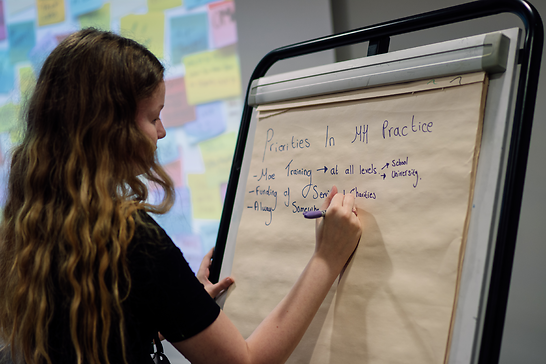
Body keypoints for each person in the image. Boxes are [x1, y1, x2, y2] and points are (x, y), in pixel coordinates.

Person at [0, 28, 362, 364]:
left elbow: (99, 330)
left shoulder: (28, 221)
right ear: (109, 128)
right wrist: (327, 258)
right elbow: (247, 361)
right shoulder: (131, 237)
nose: (162, 131)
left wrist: (180, 307)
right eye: (153, 117)